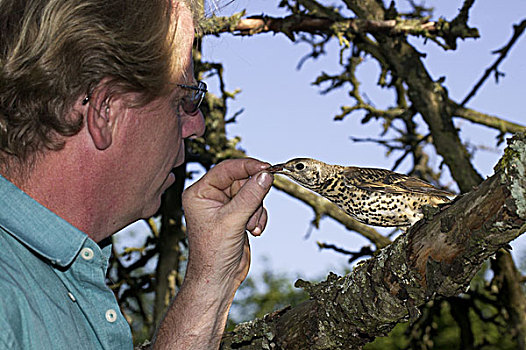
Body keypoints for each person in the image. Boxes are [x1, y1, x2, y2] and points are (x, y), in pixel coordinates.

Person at [0, 0, 273, 349]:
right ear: (106, 109)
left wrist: (213, 280)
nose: (197, 125)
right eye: (185, 99)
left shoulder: (49, 279)